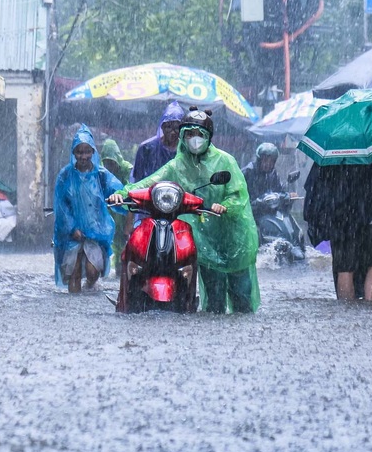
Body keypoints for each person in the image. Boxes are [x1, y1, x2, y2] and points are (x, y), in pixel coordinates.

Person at [109, 107, 260, 313]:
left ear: (208, 137)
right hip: (206, 238)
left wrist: (225, 206)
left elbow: (238, 194)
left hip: (233, 235)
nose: (194, 139)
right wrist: (123, 193)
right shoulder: (177, 165)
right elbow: (150, 182)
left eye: (199, 134)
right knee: (214, 300)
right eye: (189, 134)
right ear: (182, 136)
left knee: (241, 297)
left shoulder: (225, 161)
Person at [302, 154, 372, 302]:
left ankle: (347, 311)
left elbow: (317, 183)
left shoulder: (331, 148)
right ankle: (370, 306)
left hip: (341, 215)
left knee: (345, 267)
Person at [53, 125, 124, 293]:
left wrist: (119, 196)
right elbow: (61, 206)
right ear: (73, 152)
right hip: (71, 234)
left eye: (87, 152)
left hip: (95, 232)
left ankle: (91, 286)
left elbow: (118, 190)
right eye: (79, 152)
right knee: (73, 272)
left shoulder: (101, 175)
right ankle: (73, 306)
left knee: (93, 271)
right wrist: (72, 228)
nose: (83, 156)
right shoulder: (65, 176)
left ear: (93, 152)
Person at [131, 100, 185, 183]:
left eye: (176, 128)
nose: (172, 132)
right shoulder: (146, 148)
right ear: (162, 127)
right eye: (169, 127)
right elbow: (137, 178)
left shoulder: (185, 150)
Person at [100, 139, 133, 273]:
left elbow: (132, 188)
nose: (109, 166)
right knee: (114, 240)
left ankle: (122, 267)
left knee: (125, 239)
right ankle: (117, 266)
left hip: (125, 210)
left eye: (112, 162)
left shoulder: (127, 170)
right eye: (106, 162)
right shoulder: (101, 172)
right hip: (111, 210)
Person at [241, 142, 284, 219]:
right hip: (249, 216)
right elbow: (240, 197)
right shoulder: (248, 172)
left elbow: (279, 190)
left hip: (267, 215)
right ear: (259, 160)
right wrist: (257, 203)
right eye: (265, 160)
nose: (268, 164)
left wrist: (287, 196)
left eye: (271, 161)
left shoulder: (273, 174)